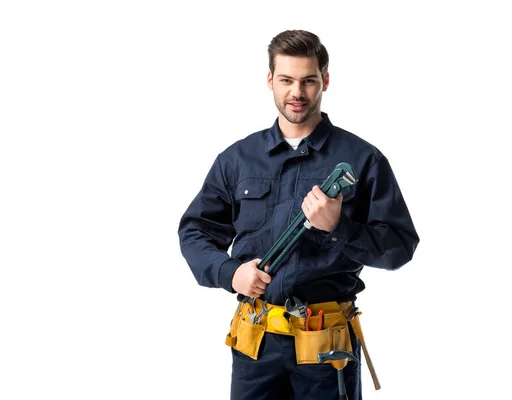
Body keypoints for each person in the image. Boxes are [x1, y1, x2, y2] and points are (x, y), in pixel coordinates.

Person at [177, 29, 419, 400]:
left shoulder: (362, 159)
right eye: (287, 80)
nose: (297, 92)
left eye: (308, 80)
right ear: (270, 80)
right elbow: (195, 232)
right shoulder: (237, 159)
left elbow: (399, 247)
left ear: (325, 80)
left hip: (325, 349)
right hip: (255, 343)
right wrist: (231, 273)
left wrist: (340, 226)